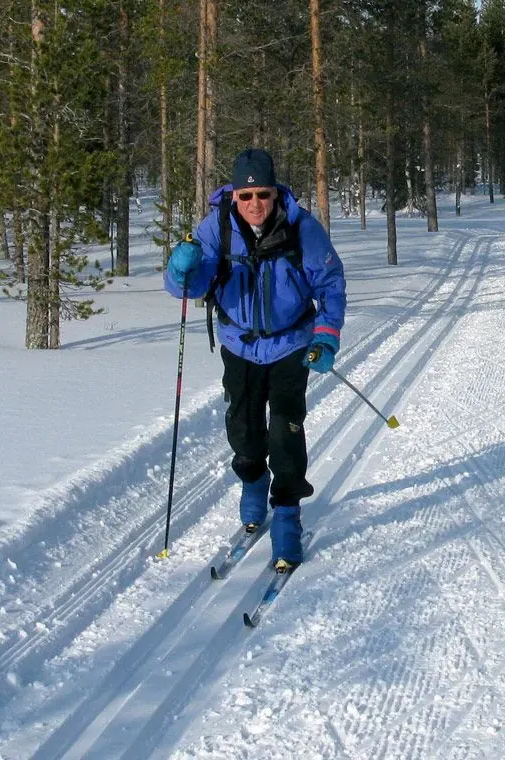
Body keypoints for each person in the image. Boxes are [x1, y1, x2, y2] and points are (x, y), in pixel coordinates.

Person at [164, 148, 346, 573]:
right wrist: (181, 268)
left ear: (275, 192)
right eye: (245, 197)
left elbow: (332, 284)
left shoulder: (301, 228)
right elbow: (186, 288)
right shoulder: (217, 230)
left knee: (286, 428)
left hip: (290, 346)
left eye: (262, 194)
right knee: (243, 428)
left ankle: (286, 512)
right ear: (233, 196)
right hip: (239, 344)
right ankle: (252, 478)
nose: (254, 205)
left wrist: (326, 337)